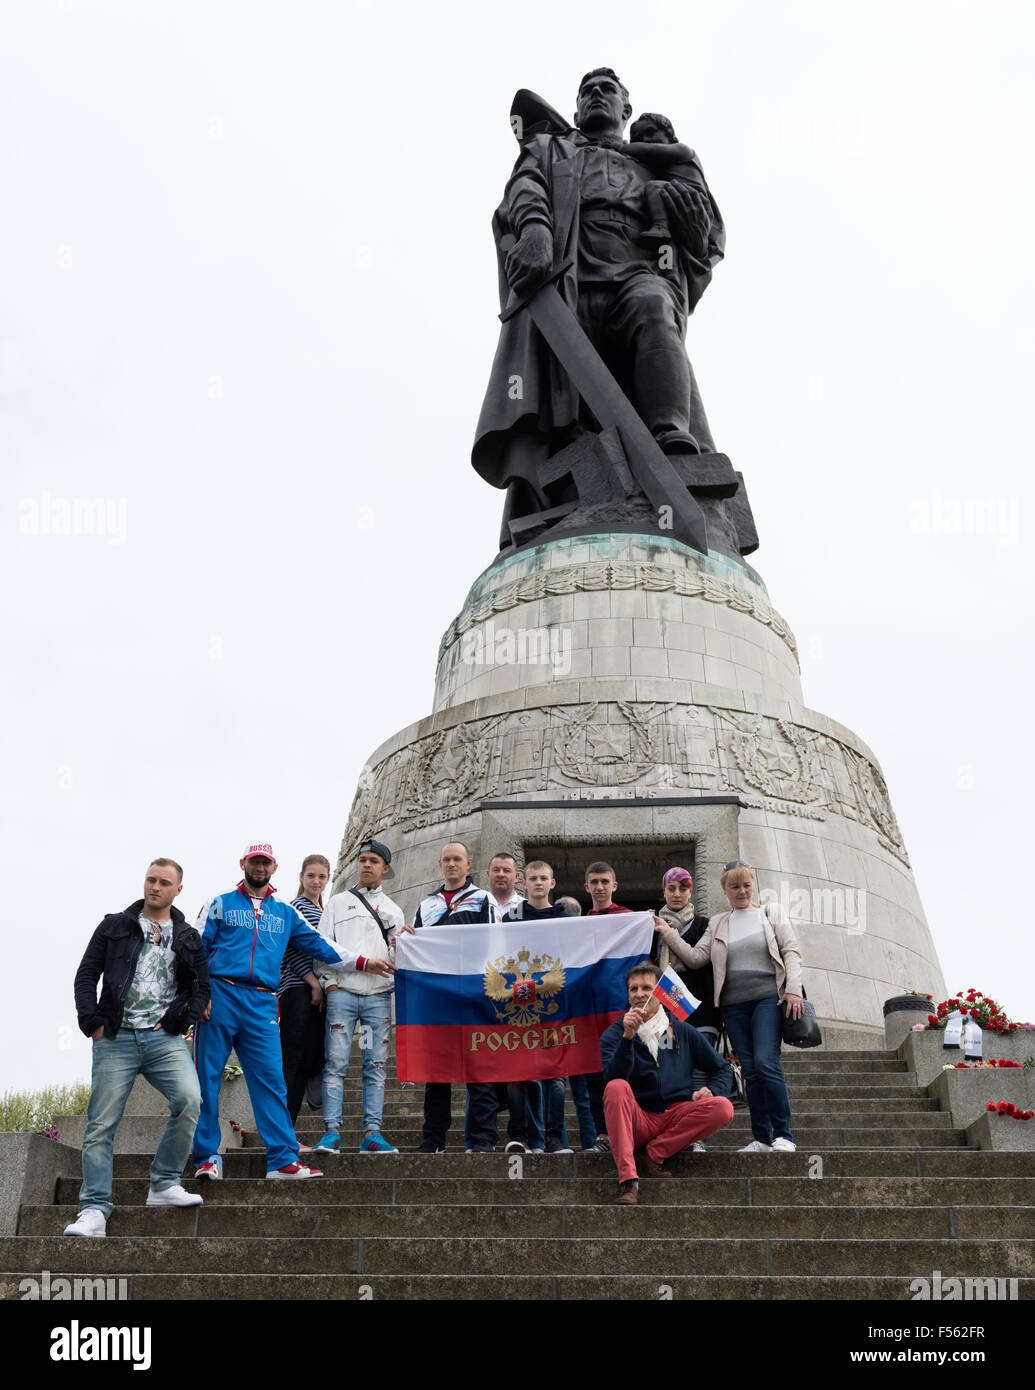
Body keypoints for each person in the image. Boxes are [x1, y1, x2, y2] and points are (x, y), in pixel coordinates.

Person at [474, 67, 725, 542]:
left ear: (625, 109)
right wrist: (534, 229)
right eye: (586, 91)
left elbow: (704, 228)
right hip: (568, 275)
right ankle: (574, 491)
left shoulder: (656, 161)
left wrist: (693, 232)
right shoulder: (552, 148)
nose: (595, 96)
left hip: (639, 267)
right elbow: (525, 187)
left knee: (654, 311)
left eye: (606, 90)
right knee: (567, 394)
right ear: (575, 109)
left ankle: (670, 439)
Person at [191, 843, 394, 1180]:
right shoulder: (219, 904)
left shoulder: (285, 912)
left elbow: (322, 946)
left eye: (266, 863)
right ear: (243, 863)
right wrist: (199, 994)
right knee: (206, 1079)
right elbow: (197, 947)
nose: (259, 868)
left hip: (261, 1000)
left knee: (272, 1080)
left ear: (274, 868)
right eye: (254, 862)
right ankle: (207, 1158)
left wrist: (364, 962)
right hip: (221, 993)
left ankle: (282, 1160)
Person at [66, 859, 210, 1236]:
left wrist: (183, 1020)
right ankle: (94, 1209)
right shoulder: (114, 925)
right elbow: (86, 975)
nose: (155, 887)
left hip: (164, 1038)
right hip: (115, 1037)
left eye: (164, 882)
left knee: (189, 1100)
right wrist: (92, 1022)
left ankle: (163, 1183)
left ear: (178, 889)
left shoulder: (189, 936)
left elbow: (201, 987)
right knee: (101, 1124)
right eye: (151, 879)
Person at [654, 861, 804, 1153]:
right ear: (725, 889)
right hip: (733, 1006)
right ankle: (761, 1138)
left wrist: (794, 991)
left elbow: (791, 952)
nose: (742, 891)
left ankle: (783, 1134)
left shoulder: (770, 913)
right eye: (735, 886)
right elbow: (697, 958)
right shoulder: (719, 922)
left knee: (766, 1063)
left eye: (746, 885)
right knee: (750, 1069)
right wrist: (668, 933)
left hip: (766, 1000)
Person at [600, 962, 735, 1204]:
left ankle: (653, 1154)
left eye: (646, 988)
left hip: (674, 1115)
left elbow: (722, 1068)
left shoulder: (681, 1031)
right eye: (633, 989)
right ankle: (629, 1183)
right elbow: (613, 1077)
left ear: (659, 993)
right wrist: (628, 1038)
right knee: (616, 1087)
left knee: (723, 1107)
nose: (640, 994)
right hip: (638, 1119)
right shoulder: (615, 1034)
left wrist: (711, 1090)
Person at [398, 841, 502, 1153]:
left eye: (458, 859)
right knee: (436, 1073)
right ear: (439, 863)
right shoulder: (425, 905)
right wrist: (404, 942)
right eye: (447, 860)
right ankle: (433, 1140)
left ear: (469, 863)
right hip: (437, 997)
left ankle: (483, 1139)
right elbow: (417, 950)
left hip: (474, 994)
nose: (452, 864)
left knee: (479, 1069)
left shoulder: (484, 899)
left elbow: (495, 946)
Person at [313, 839, 404, 1155]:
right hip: (344, 994)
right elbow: (322, 946)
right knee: (335, 1062)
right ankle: (331, 1132)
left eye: (373, 861)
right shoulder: (337, 902)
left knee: (375, 1065)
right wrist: (330, 984)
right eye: (362, 859)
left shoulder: (393, 910)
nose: (366, 865)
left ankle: (372, 1133)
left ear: (385, 868)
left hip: (378, 997)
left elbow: (398, 956)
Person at [503, 860, 574, 1155]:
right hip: (520, 1001)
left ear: (552, 883)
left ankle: (553, 1138)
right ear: (524, 882)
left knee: (556, 1075)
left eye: (544, 878)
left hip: (555, 1002)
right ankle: (521, 1136)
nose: (539, 883)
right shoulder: (511, 919)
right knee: (520, 1071)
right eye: (533, 878)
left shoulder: (566, 918)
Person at [651, 866, 717, 1154]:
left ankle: (696, 1136)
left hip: (701, 1012)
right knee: (672, 1073)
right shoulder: (650, 927)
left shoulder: (705, 924)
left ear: (691, 892)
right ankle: (675, 1133)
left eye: (683, 888)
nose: (677, 894)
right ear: (663, 891)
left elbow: (698, 962)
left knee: (700, 1075)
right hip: (664, 1014)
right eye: (671, 888)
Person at [578, 860, 632, 1153]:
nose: (599, 887)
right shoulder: (580, 925)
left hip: (618, 1012)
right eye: (594, 882)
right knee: (594, 1078)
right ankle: (603, 1136)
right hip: (588, 1013)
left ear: (614, 886)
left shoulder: (627, 919)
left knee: (622, 1076)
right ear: (587, 887)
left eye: (604, 882)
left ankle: (628, 1133)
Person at [279, 854, 330, 1142]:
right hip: (297, 989)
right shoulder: (294, 908)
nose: (316, 881)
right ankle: (284, 1132)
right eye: (311, 876)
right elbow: (290, 951)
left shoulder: (321, 911)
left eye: (322, 877)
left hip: (314, 992)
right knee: (293, 1063)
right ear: (301, 877)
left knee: (306, 1062)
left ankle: (288, 1131)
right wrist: (312, 982)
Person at [625, 113, 712, 256]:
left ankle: (661, 227)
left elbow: (648, 151)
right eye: (639, 139)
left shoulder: (683, 150)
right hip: (677, 198)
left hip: (690, 198)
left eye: (651, 132)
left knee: (654, 187)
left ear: (670, 136)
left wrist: (620, 148)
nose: (646, 140)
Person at [486, 851, 525, 916]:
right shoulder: (477, 906)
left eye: (507, 870)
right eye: (496, 870)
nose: (501, 875)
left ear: (516, 877)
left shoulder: (526, 908)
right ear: (488, 875)